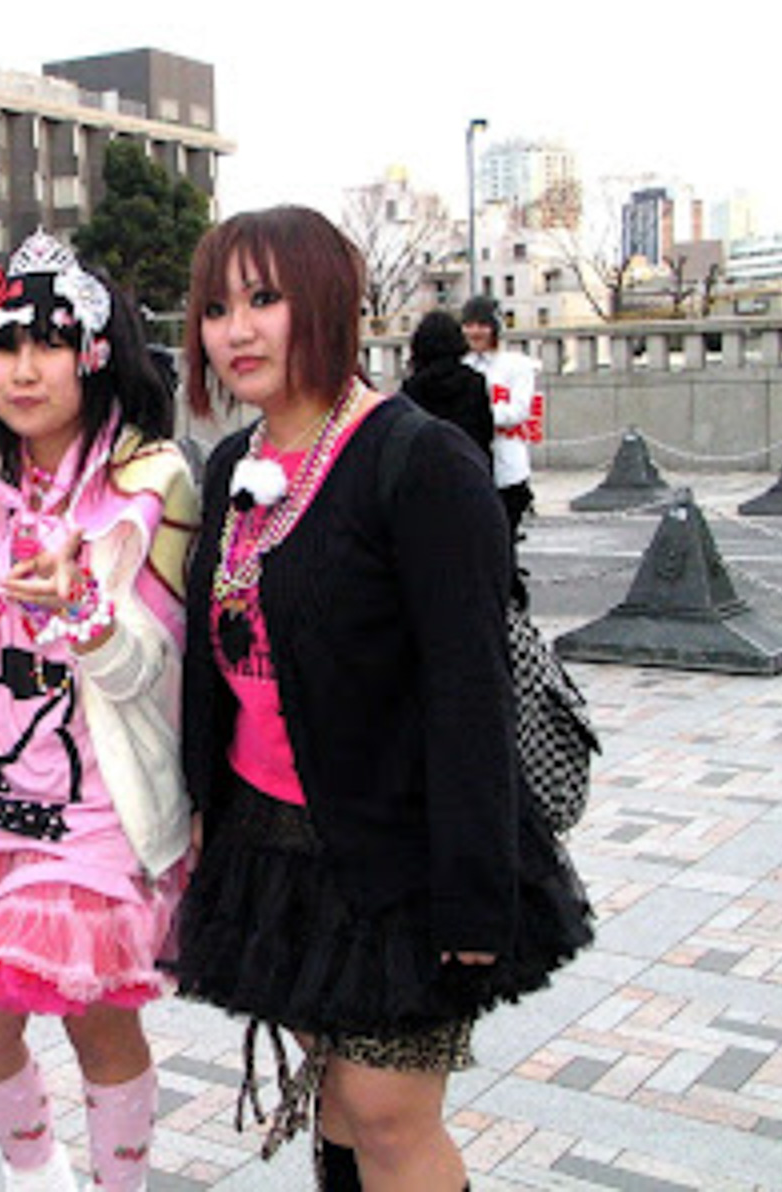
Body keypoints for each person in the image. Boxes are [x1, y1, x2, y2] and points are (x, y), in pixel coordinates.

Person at [172, 207, 591, 1192]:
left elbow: (470, 693)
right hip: (271, 847)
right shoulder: (233, 464)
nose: (236, 330)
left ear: (326, 304)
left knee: (389, 1113)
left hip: (401, 854)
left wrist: (473, 895)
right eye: (217, 309)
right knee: (338, 1095)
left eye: (264, 299)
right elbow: (211, 661)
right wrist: (201, 811)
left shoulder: (420, 461)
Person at [0, 231, 198, 1192]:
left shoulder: (153, 484)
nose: (22, 371)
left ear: (94, 353)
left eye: (48, 345)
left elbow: (151, 672)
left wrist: (82, 610)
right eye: (3, 347)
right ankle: (37, 1177)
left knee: (98, 1018)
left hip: (101, 798)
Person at [460, 296, 538, 541]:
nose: (475, 332)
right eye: (469, 325)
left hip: (508, 467)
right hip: (470, 466)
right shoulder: (460, 366)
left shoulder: (517, 366)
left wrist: (479, 414)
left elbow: (519, 410)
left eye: (482, 325)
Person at [399, 310, 492, 462]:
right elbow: (486, 431)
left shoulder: (412, 387)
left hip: (427, 465)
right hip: (469, 463)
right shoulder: (474, 381)